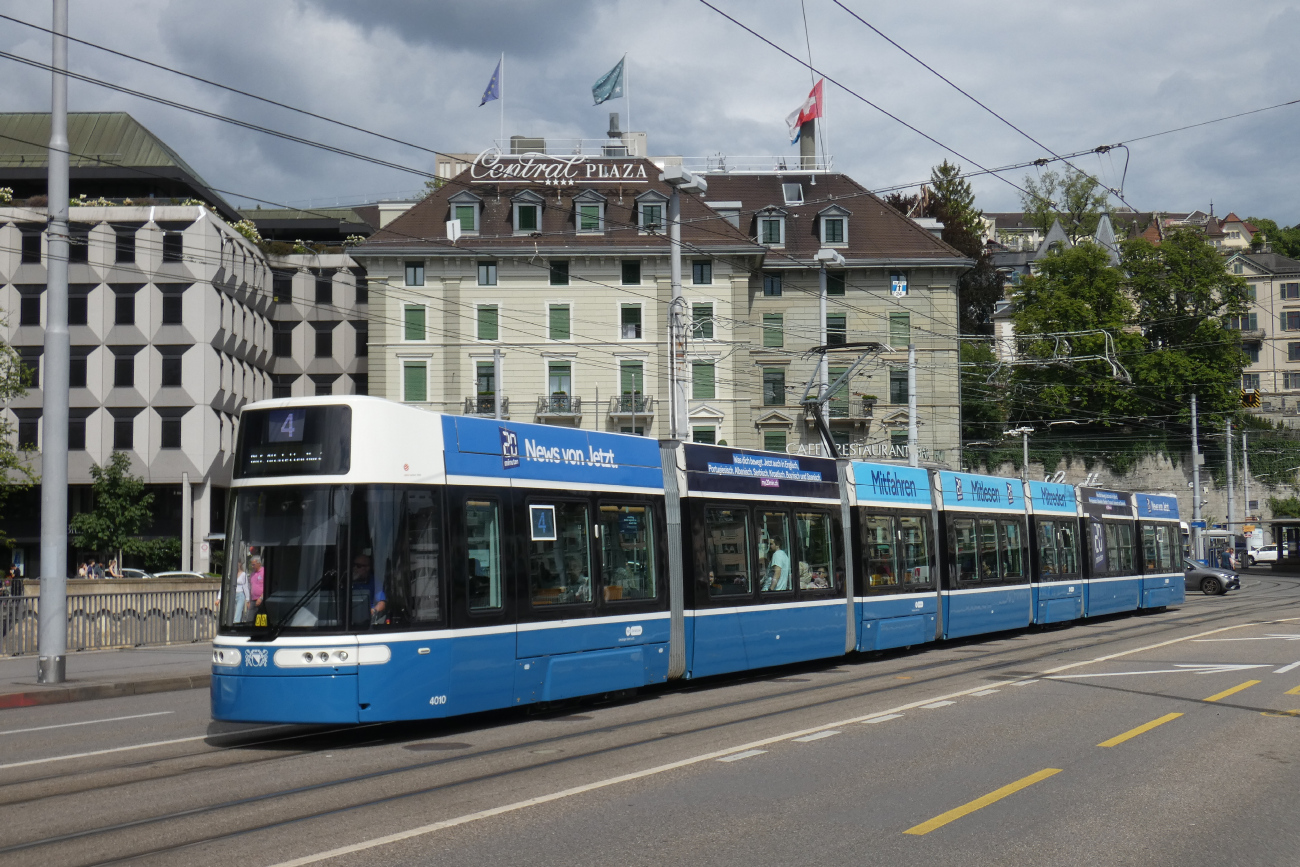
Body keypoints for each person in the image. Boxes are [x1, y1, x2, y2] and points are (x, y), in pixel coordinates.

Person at [352, 554, 385, 625]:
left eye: (358, 566)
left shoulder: (375, 582)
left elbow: (382, 603)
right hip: (349, 618)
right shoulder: (347, 581)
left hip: (368, 620)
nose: (354, 568)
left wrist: (373, 611)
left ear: (367, 568)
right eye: (353, 565)